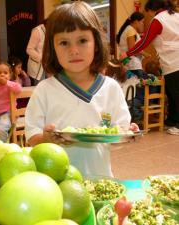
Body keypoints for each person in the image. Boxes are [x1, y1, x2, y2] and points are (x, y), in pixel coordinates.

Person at [25, 1, 138, 177]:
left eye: (83, 40)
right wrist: (46, 138)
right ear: (52, 48)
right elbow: (32, 137)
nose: (74, 50)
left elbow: (118, 135)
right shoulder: (44, 90)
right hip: (55, 184)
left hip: (100, 179)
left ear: (96, 43)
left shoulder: (111, 88)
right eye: (64, 43)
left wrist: (127, 134)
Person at [120, 0, 179, 135]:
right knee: (171, 92)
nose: (148, 17)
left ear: (152, 9)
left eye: (147, 13)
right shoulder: (176, 16)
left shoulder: (158, 20)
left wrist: (127, 53)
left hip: (173, 61)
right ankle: (171, 120)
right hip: (171, 62)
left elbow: (145, 41)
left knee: (175, 93)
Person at [116, 12, 149, 78]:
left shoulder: (129, 29)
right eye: (142, 22)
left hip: (130, 65)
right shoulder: (131, 30)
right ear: (136, 21)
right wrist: (145, 54)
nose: (143, 24)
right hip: (133, 65)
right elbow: (132, 50)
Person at [26, 20, 46, 85]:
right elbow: (29, 49)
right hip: (38, 66)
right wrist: (42, 58)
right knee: (39, 89)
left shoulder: (53, 31)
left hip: (49, 65)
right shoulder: (37, 31)